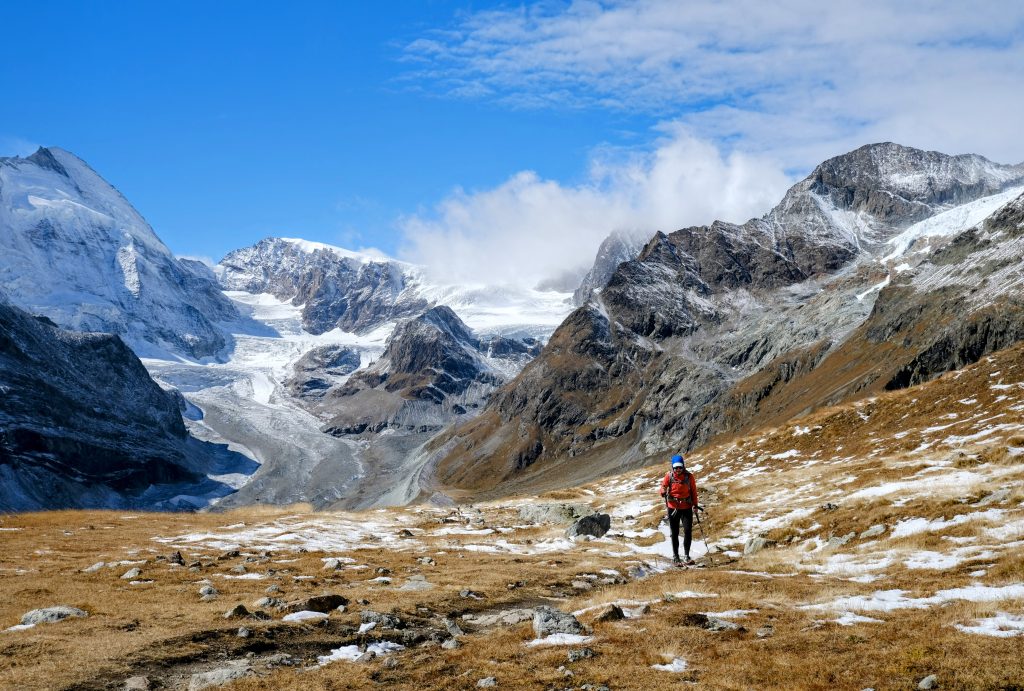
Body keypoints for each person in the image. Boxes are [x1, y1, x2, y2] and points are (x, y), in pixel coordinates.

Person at [659, 454, 699, 566]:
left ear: (683, 466)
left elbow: (694, 492)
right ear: (672, 467)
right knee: (675, 532)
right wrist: (662, 491)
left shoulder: (689, 477)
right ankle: (676, 557)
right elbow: (663, 486)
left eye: (680, 467)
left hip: (686, 507)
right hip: (673, 508)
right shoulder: (669, 476)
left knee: (687, 532)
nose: (678, 470)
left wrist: (695, 505)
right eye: (676, 467)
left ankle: (686, 556)